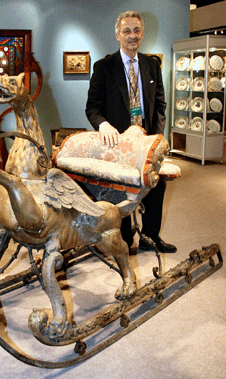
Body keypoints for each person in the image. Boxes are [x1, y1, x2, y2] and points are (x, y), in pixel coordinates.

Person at [85, 10, 176, 253]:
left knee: (157, 185)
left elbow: (160, 105)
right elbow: (92, 108)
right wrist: (104, 125)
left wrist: (156, 137)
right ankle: (124, 239)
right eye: (127, 31)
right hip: (119, 144)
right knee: (122, 188)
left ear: (142, 34)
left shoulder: (152, 65)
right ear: (117, 34)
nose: (132, 36)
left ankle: (151, 237)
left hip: (146, 140)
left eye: (136, 31)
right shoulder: (104, 67)